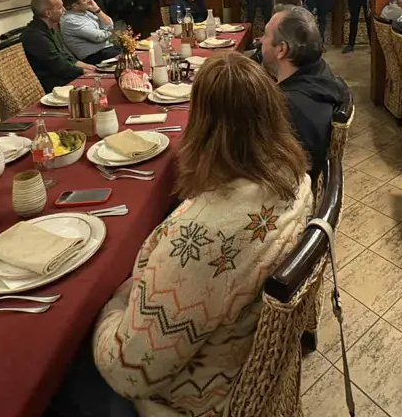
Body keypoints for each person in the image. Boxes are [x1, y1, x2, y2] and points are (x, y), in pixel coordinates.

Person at [81, 53, 313, 417]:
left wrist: (112, 304)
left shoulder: (198, 240)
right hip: (247, 361)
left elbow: (129, 374)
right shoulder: (297, 178)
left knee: (68, 378)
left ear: (200, 124)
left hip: (202, 398)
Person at [261, 6, 346, 187]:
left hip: (290, 189)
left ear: (281, 49)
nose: (260, 41)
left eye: (265, 35)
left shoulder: (286, 107)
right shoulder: (320, 70)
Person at [22, 0, 94, 92]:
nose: (64, 10)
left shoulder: (49, 28)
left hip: (63, 76)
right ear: (48, 13)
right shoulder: (35, 36)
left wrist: (91, 68)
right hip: (54, 84)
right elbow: (58, 66)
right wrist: (84, 72)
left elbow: (65, 56)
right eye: (60, 8)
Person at [59, 0, 124, 65]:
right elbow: (97, 37)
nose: (89, 1)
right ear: (75, 6)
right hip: (94, 56)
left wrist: (97, 10)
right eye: (84, 0)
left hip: (107, 49)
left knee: (132, 52)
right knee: (127, 58)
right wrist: (113, 33)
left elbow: (109, 25)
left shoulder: (85, 12)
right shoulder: (70, 20)